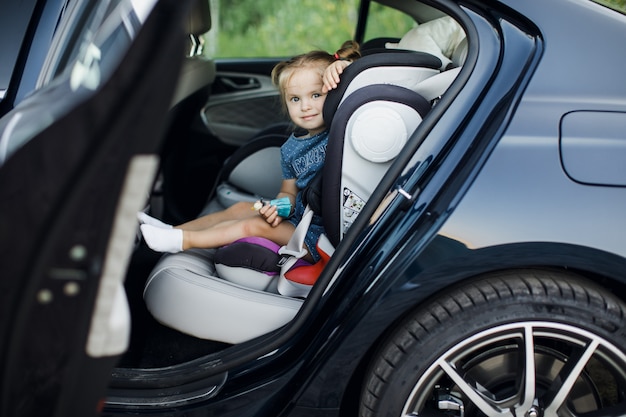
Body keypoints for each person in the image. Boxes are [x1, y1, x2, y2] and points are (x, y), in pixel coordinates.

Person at [139, 41, 361, 262]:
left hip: (319, 238)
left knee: (252, 225)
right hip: (299, 219)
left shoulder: (343, 131)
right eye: (295, 99)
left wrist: (345, 69)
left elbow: (364, 91)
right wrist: (278, 207)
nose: (305, 106)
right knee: (241, 209)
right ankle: (173, 229)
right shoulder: (290, 148)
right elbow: (289, 194)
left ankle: (182, 241)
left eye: (316, 95)